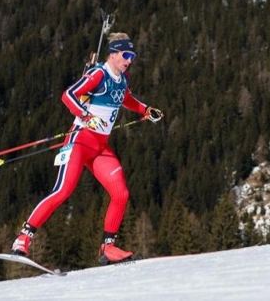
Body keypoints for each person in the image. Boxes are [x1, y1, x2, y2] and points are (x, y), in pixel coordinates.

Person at [10, 32, 164, 264]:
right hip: (79, 141)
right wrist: (86, 116)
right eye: (126, 55)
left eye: (132, 56)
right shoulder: (98, 73)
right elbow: (68, 95)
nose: (130, 60)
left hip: (100, 148)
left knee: (120, 193)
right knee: (62, 191)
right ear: (113, 54)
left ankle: (107, 248)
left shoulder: (123, 79)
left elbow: (126, 99)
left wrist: (146, 110)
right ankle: (23, 238)